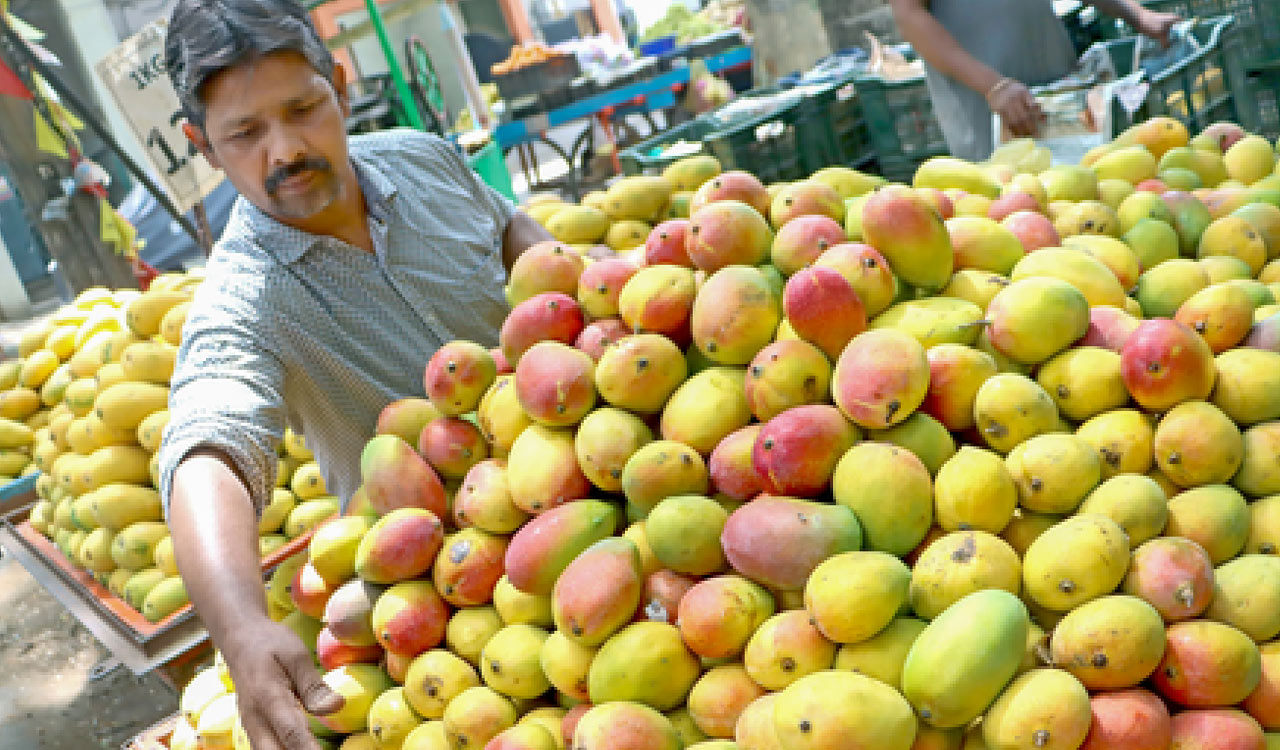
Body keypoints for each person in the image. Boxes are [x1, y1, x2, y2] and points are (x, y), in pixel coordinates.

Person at [156, 2, 551, 748]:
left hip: (605, 457)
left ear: (339, 85)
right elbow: (209, 444)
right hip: (456, 599)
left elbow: (507, 228)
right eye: (245, 134)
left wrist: (572, 285)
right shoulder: (244, 299)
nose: (284, 152)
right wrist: (242, 628)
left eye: (303, 109)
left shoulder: (422, 160)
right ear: (202, 146)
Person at [888, 0, 1181, 161]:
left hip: (1056, 91)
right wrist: (993, 85)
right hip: (988, 105)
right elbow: (909, 16)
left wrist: (1137, 15)